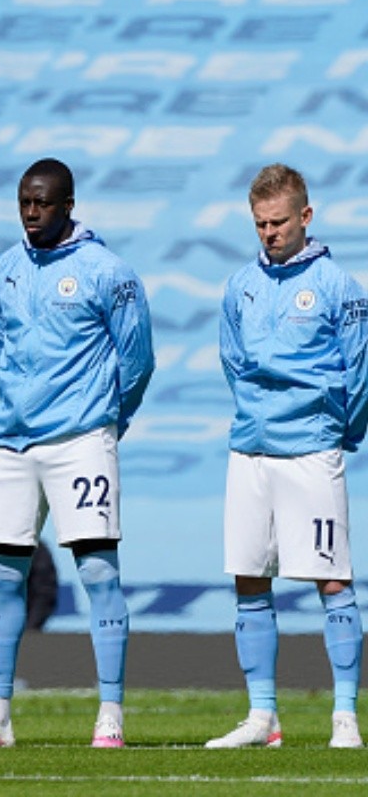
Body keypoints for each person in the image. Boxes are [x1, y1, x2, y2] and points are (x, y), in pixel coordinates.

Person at [0, 158, 154, 749]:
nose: (31, 214)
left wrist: (109, 422)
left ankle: (110, 713)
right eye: (23, 203)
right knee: (1, 575)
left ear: (68, 204)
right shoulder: (2, 271)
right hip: (11, 442)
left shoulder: (108, 272)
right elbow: (2, 349)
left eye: (42, 204)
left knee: (98, 572)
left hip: (81, 439)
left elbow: (137, 362)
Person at [207, 163, 368, 749]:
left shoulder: (338, 287)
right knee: (249, 578)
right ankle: (262, 718)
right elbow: (232, 361)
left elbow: (360, 372)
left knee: (331, 579)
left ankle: (345, 716)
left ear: (306, 216)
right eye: (259, 225)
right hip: (250, 448)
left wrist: (334, 433)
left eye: (278, 222)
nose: (269, 233)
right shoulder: (239, 286)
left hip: (311, 451)